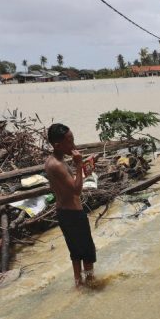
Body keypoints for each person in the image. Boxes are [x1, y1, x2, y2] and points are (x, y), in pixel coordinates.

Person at [45, 123, 96, 287]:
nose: (73, 145)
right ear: (57, 145)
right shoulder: (56, 165)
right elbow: (76, 190)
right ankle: (90, 283)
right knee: (87, 253)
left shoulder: (55, 160)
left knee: (76, 252)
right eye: (69, 142)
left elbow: (70, 183)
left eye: (73, 140)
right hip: (72, 214)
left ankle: (78, 285)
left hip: (66, 213)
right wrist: (79, 165)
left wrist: (83, 168)